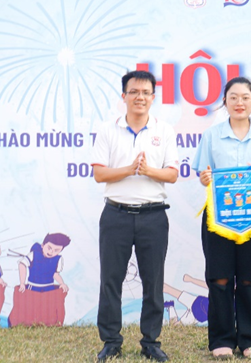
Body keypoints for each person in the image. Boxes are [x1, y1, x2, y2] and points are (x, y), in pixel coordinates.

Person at [91, 70, 179, 362]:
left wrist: (146, 170)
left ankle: (151, 342)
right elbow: (99, 173)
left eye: (145, 92)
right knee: (111, 280)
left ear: (153, 97)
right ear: (124, 96)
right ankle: (111, 341)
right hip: (115, 214)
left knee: (153, 281)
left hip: (153, 216)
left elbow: (172, 174)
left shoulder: (164, 131)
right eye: (134, 92)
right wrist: (129, 169)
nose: (139, 97)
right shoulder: (107, 129)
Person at [192, 77, 251, 359]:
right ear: (225, 102)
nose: (239, 103)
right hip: (218, 218)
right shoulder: (212, 135)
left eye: (245, 97)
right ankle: (221, 339)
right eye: (233, 97)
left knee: (249, 280)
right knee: (219, 279)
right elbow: (204, 175)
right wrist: (205, 177)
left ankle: (250, 339)